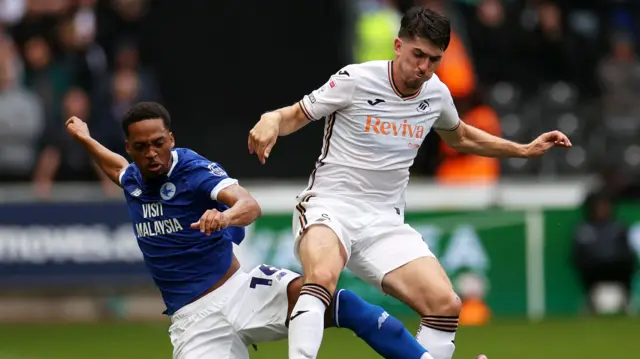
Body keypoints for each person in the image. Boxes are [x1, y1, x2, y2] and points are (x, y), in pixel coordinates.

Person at [248, 6, 571, 359]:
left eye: (434, 59)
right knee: (322, 275)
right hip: (330, 205)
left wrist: (523, 150)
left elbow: (460, 136)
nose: (424, 67)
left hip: (384, 221)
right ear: (398, 45)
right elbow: (294, 114)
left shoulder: (435, 94)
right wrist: (271, 119)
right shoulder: (355, 79)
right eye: (418, 54)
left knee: (445, 303)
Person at [64, 101, 436, 359]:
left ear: (171, 140)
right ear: (130, 148)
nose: (152, 154)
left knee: (345, 305)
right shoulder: (133, 179)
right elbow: (117, 169)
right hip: (194, 321)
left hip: (241, 289)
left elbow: (249, 204)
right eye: (141, 147)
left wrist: (223, 217)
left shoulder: (191, 170)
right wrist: (85, 139)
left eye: (159, 143)